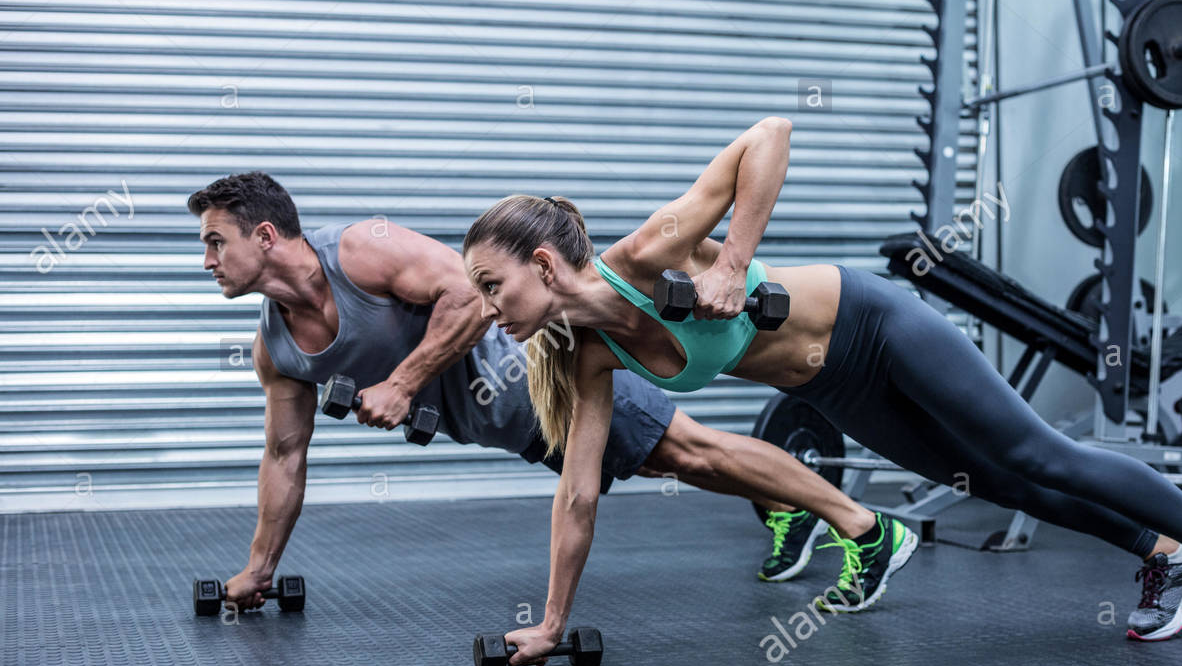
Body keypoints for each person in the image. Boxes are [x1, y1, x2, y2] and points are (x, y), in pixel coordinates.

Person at [460, 117, 1182, 666]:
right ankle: (1165, 555)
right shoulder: (585, 359)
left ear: (542, 266)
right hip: (836, 386)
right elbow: (577, 494)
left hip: (875, 323)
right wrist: (551, 621)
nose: (489, 312)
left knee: (1036, 452)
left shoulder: (647, 252)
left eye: (491, 287)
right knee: (999, 482)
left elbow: (770, 135)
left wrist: (728, 261)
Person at [186, 171, 884, 609]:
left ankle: (860, 524)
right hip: (513, 426)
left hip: (539, 370)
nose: (207, 259)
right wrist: (259, 569)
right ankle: (787, 505)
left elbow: (467, 293)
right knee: (666, 460)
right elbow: (283, 455)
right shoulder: (274, 348)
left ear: (268, 235)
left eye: (216, 241)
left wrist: (403, 382)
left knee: (688, 451)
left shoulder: (362, 251)